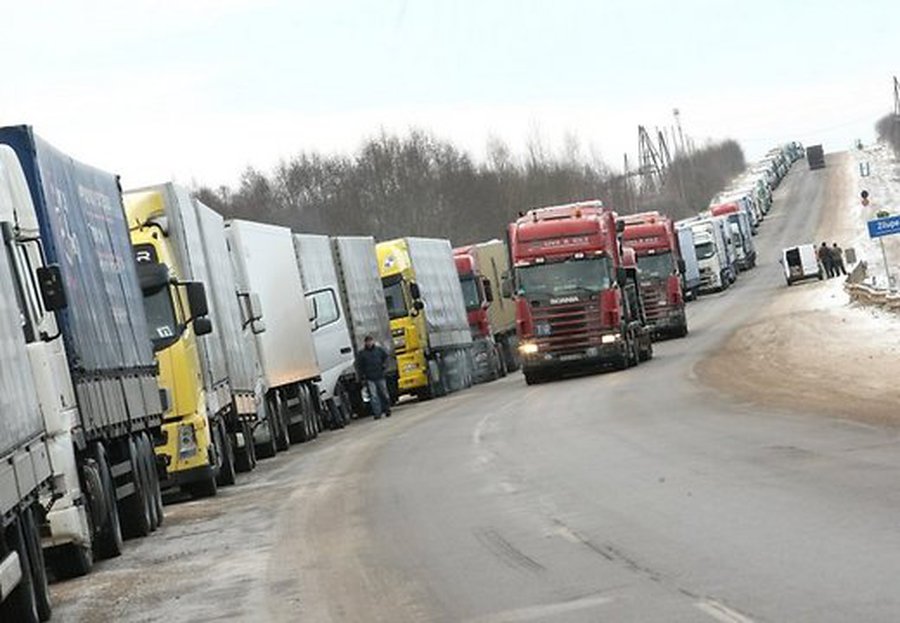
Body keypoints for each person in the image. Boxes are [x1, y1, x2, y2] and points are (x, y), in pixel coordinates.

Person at [356, 335, 392, 420]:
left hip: (380, 375)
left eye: (370, 341)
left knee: (384, 394)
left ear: (373, 341)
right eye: (367, 342)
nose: (369, 343)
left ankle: (387, 410)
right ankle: (377, 413)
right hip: (370, 378)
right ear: (365, 343)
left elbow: (386, 357)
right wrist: (362, 376)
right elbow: (359, 366)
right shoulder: (362, 354)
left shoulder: (379, 350)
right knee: (374, 396)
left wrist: (385, 366)